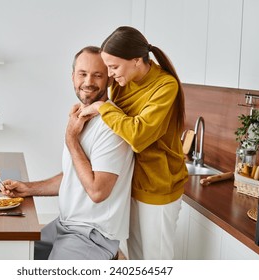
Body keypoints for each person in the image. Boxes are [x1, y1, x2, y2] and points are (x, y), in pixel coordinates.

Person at [0, 46, 134, 260]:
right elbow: (75, 176)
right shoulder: (81, 116)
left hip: (92, 235)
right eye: (82, 74)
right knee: (10, 254)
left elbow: (97, 191)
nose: (88, 81)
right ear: (72, 77)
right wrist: (28, 188)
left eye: (97, 75)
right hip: (64, 225)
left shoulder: (111, 125)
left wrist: (71, 140)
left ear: (109, 79)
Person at [79, 26, 189, 260]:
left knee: (156, 262)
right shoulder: (121, 82)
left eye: (113, 67)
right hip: (130, 182)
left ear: (137, 61)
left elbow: (138, 135)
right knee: (135, 260)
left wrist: (102, 107)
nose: (109, 74)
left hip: (157, 185)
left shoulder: (165, 86)